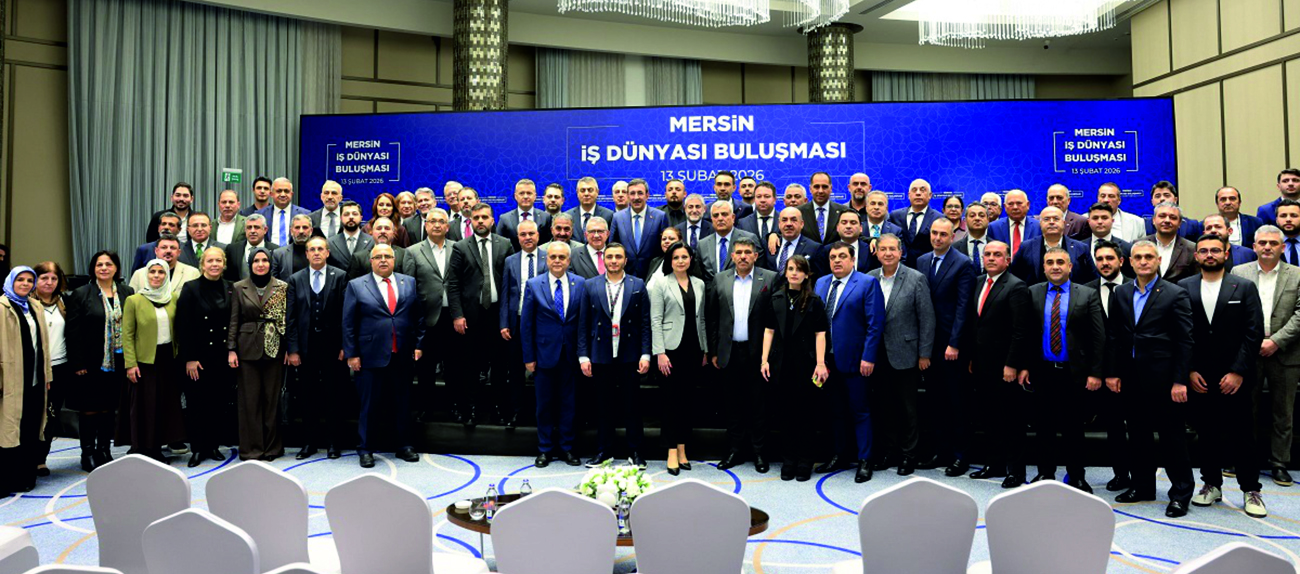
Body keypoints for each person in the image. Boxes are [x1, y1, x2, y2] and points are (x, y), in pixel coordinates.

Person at [1180, 233, 1267, 517]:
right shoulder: (1184, 287)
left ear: (1226, 253)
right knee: (1206, 433)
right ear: (1196, 256)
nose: (1209, 255)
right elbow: (1181, 333)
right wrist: (1189, 370)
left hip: (1235, 376)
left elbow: (1253, 332)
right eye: (1204, 250)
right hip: (1199, 377)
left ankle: (1251, 489)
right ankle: (1211, 484)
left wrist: (1238, 371)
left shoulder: (1244, 287)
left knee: (1243, 434)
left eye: (1215, 250)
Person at [1107, 240, 1196, 518]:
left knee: (1172, 439)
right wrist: (1113, 371)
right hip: (1131, 378)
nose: (1143, 261)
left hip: (1165, 380)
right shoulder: (1121, 292)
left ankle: (1180, 494)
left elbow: (1185, 340)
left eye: (1149, 257)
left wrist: (1180, 381)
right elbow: (1114, 336)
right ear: (1130, 262)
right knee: (1138, 436)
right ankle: (1143, 486)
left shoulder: (1175, 293)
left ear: (1158, 260)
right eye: (1138, 257)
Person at [1023, 247, 1106, 492]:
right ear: (1044, 267)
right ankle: (1045, 473)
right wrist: (1025, 366)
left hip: (1075, 373)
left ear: (1070, 267)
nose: (1055, 266)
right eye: (1050, 262)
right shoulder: (1033, 292)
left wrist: (1095, 372)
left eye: (1060, 262)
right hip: (1042, 371)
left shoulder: (1087, 294)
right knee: (1044, 427)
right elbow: (1026, 333)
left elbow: (1098, 337)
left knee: (1074, 428)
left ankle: (1077, 475)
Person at [343, 244, 425, 468]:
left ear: (394, 260)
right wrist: (352, 354)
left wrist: (418, 344)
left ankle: (404, 445)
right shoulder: (356, 285)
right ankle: (365, 449)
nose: (383, 260)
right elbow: (348, 323)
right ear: (370, 261)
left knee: (403, 403)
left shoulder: (408, 282)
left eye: (387, 256)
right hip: (369, 356)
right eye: (378, 256)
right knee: (369, 406)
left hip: (402, 354)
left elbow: (418, 316)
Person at [1232, 225, 1300, 487]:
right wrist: (1254, 342)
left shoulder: (1297, 274)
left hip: (1286, 351)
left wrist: (1276, 341)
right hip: (1248, 351)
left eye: (1273, 243)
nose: (1267, 247)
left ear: (1282, 247)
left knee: (1283, 412)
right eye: (1262, 243)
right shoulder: (1239, 272)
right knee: (1245, 410)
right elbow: (1234, 312)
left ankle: (1279, 463)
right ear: (1254, 246)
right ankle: (1243, 460)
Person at [815, 241, 885, 483]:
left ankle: (865, 459)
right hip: (827, 361)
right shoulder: (821, 283)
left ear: (852, 260)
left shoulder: (867, 283)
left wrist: (868, 356)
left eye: (842, 256)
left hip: (856, 361)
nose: (836, 260)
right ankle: (840, 455)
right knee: (835, 410)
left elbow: (875, 324)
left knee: (860, 411)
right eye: (833, 257)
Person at [965, 241, 1033, 488]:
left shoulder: (1016, 286)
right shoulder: (978, 282)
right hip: (981, 364)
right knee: (989, 417)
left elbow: (1020, 330)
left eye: (997, 255)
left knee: (1011, 420)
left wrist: (1012, 364)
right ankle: (994, 464)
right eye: (987, 254)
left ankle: (1016, 471)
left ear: (1007, 260)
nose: (991, 258)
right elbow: (976, 324)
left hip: (1005, 367)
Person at [578, 243, 651, 468]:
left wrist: (646, 354)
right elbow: (583, 323)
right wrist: (583, 356)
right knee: (603, 406)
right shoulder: (590, 285)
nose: (613, 261)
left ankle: (635, 451)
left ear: (625, 260)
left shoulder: (638, 284)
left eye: (618, 257)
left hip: (630, 354)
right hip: (600, 354)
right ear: (604, 260)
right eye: (609, 257)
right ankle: (604, 451)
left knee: (632, 406)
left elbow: (645, 323)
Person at [867, 235, 934, 476]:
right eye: (883, 249)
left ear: (900, 252)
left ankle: (908, 455)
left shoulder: (916, 278)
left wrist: (924, 353)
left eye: (892, 249)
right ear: (877, 253)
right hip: (878, 355)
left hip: (906, 354)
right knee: (884, 407)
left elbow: (927, 319)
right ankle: (888, 452)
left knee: (908, 409)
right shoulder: (869, 278)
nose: (887, 253)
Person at [710, 237, 777, 473]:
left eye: (748, 252)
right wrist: (714, 350)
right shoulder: (720, 279)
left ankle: (759, 452)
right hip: (729, 352)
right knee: (733, 405)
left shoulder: (769, 278)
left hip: (758, 354)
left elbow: (774, 319)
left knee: (758, 406)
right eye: (738, 252)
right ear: (732, 256)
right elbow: (713, 317)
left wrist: (769, 355)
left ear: (756, 256)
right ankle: (735, 451)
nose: (743, 256)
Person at [760, 255, 829, 482]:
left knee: (805, 417)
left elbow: (820, 334)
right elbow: (769, 331)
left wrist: (820, 363)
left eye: (799, 270)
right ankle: (788, 461)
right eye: (790, 269)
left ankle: (805, 461)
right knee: (785, 416)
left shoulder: (814, 301)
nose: (794, 273)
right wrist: (764, 360)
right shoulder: (776, 298)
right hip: (781, 365)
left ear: (806, 274)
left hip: (806, 365)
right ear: (786, 272)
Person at [916, 218, 975, 475]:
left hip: (952, 347)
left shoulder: (963, 263)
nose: (938, 238)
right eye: (934, 233)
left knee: (957, 402)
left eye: (943, 234)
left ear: (952, 237)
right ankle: (941, 452)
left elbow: (963, 307)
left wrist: (954, 343)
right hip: (928, 344)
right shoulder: (921, 261)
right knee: (935, 401)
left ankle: (961, 456)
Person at [447, 203, 513, 429]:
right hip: (470, 317)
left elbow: (511, 283)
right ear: (471, 221)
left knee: (499, 366)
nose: (481, 221)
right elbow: (453, 284)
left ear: (492, 220)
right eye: (476, 218)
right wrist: (457, 315)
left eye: (485, 217)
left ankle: (499, 409)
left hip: (497, 315)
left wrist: (507, 317)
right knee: (471, 366)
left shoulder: (505, 244)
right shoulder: (461, 247)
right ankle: (471, 410)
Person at [65, 251, 132, 471]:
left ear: (116, 268)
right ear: (93, 269)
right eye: (99, 264)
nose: (104, 268)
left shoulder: (127, 292)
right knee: (90, 409)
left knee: (109, 409)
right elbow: (73, 332)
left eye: (108, 264)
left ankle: (104, 450)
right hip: (90, 363)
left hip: (118, 362)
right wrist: (78, 363)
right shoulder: (81, 293)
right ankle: (87, 453)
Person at [286, 237, 350, 460]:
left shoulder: (340, 276)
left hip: (333, 348)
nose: (316, 253)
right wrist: (293, 349)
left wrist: (345, 346)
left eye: (320, 249)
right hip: (306, 348)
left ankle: (333, 443)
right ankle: (309, 443)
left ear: (327, 252)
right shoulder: (295, 279)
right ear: (306, 254)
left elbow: (346, 314)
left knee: (334, 396)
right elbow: (290, 317)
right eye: (312, 249)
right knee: (307, 397)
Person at [523, 242, 586, 467]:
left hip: (571, 355)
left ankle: (567, 448)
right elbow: (526, 324)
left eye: (562, 257)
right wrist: (528, 357)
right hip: (543, 355)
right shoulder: (534, 284)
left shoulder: (580, 284)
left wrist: (583, 354)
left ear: (569, 260)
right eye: (553, 257)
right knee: (544, 406)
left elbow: (583, 323)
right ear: (546, 259)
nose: (557, 261)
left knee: (569, 404)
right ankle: (545, 449)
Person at [650, 242, 708, 475]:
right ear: (670, 261)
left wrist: (705, 349)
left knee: (687, 402)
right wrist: (660, 352)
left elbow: (701, 319)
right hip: (670, 351)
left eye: (684, 257)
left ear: (691, 259)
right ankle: (671, 451)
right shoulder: (661, 283)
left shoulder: (699, 284)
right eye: (676, 257)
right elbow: (655, 320)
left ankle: (683, 448)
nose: (681, 261)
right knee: (670, 402)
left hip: (693, 350)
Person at [119, 259, 185, 462]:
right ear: (146, 275)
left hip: (168, 359)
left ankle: (157, 447)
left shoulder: (173, 298)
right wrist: (130, 364)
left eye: (161, 272)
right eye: (152, 272)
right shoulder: (134, 300)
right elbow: (127, 334)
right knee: (145, 406)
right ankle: (143, 448)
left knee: (164, 405)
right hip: (144, 361)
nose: (156, 276)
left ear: (166, 276)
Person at [227, 248, 289, 462]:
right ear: (250, 264)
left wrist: (289, 348)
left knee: (272, 401)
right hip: (246, 349)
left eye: (264, 260)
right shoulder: (239, 287)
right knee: (249, 401)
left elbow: (287, 319)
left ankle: (272, 448)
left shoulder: (282, 287)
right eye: (256, 261)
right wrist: (231, 349)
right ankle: (252, 449)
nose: (260, 264)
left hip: (275, 347)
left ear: (270, 264)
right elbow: (234, 320)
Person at [175, 247, 235, 467]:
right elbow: (183, 325)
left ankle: (213, 446)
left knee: (218, 404)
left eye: (218, 260)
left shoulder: (231, 288)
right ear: (202, 264)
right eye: (210, 261)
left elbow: (234, 322)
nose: (214, 264)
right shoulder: (191, 288)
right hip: (198, 358)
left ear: (224, 264)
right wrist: (189, 358)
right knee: (196, 404)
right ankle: (198, 449)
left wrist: (232, 350)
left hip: (221, 357)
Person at [1085, 239, 1134, 492]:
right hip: (1099, 372)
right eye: (1100, 259)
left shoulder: (1136, 287)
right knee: (1114, 427)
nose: (1105, 263)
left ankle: (1141, 476)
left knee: (1137, 427)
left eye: (1110, 258)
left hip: (1132, 370)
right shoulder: (1086, 290)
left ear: (1121, 261)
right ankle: (1120, 474)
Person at [0, 267, 51, 495]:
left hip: (35, 379)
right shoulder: (2, 307)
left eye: (30, 280)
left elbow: (44, 345)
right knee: (9, 431)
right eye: (20, 279)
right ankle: (5, 480)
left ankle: (26, 476)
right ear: (11, 282)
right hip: (11, 380)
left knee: (31, 427)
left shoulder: (35, 306)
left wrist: (48, 375)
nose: (25, 284)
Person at [403, 209, 456, 426]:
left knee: (453, 366)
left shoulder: (458, 248)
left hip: (452, 317)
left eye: (441, 221)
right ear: (426, 226)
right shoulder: (413, 251)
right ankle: (426, 408)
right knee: (426, 368)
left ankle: (454, 406)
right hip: (426, 318)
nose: (436, 225)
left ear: (447, 226)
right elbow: (409, 287)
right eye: (432, 221)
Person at [499, 220, 544, 429]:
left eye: (531, 233)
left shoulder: (549, 257)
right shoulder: (510, 261)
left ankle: (542, 413)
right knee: (516, 371)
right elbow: (505, 293)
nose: (528, 238)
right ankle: (517, 411)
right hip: (516, 322)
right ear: (517, 238)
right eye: (523, 234)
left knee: (542, 371)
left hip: (542, 322)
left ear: (538, 235)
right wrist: (504, 323)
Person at [29, 262, 68, 478]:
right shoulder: (26, 303)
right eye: (44, 278)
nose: (49, 282)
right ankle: (27, 457)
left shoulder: (64, 302)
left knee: (52, 415)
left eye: (54, 278)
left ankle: (41, 459)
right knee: (33, 414)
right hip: (35, 368)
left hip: (60, 367)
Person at [1007, 206, 1096, 285]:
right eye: (1047, 219)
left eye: (1056, 219)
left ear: (1064, 223)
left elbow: (1092, 279)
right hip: (1035, 297)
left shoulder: (1081, 248)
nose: (1051, 222)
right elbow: (1014, 277)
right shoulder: (1026, 247)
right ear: (1040, 223)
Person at [610, 179, 669, 278]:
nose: (636, 197)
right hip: (625, 275)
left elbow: (665, 248)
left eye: (640, 193)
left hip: (653, 275)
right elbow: (612, 247)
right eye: (632, 193)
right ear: (628, 196)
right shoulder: (617, 217)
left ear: (647, 195)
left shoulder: (660, 217)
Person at [696, 200, 759, 282]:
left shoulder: (749, 238)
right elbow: (700, 276)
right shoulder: (702, 244)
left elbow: (759, 272)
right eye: (715, 215)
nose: (720, 218)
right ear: (711, 219)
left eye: (724, 214)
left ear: (733, 217)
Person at [889, 179, 944, 267]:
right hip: (899, 267)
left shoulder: (939, 218)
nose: (918, 193)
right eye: (914, 190)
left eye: (922, 190)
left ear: (930, 195)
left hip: (926, 267)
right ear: (909, 195)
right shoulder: (895, 216)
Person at [1143, 202, 1198, 283]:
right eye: (1162, 216)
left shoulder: (1192, 248)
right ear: (1153, 220)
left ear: (1180, 223)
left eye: (1173, 218)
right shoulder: (1139, 245)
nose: (1167, 220)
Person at [129, 233, 200, 294]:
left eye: (172, 248)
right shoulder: (139, 274)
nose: (168, 251)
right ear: (156, 251)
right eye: (164, 247)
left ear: (179, 252)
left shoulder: (193, 273)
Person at [257, 177, 312, 249]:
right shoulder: (260, 214)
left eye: (286, 191)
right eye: (279, 191)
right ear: (271, 194)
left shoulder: (305, 214)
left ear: (291, 194)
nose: (283, 194)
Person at [497, 179, 553, 249]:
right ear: (515, 196)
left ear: (535, 196)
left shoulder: (546, 218)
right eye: (521, 193)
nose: (525, 196)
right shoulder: (505, 219)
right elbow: (499, 245)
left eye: (529, 193)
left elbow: (550, 243)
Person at [765, 207, 821, 275]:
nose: (788, 224)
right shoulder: (769, 243)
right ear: (779, 224)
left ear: (802, 224)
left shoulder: (814, 248)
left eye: (794, 220)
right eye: (784, 220)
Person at [987, 190, 1039, 260]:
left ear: (1028, 205)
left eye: (1019, 203)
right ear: (1005, 207)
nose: (1015, 207)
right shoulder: (994, 227)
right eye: (1010, 204)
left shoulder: (1038, 226)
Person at [224, 214, 279, 281]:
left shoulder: (276, 250)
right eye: (249, 227)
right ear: (245, 230)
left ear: (265, 230)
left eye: (256, 227)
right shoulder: (232, 249)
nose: (252, 231)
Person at [800, 172, 847, 244]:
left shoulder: (843, 211)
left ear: (831, 188)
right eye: (816, 187)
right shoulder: (799, 212)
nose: (820, 191)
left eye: (824, 187)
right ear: (810, 189)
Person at [327, 201, 374, 271]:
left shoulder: (372, 241)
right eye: (346, 214)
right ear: (341, 218)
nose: (351, 217)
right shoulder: (330, 243)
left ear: (361, 218)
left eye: (355, 214)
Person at [565, 177, 614, 243]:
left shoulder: (609, 215)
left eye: (590, 190)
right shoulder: (568, 216)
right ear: (577, 193)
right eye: (582, 190)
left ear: (597, 192)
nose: (586, 194)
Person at [272, 214, 315, 281]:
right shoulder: (278, 254)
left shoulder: (321, 252)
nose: (301, 231)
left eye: (305, 227)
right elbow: (273, 281)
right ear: (291, 231)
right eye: (297, 227)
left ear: (311, 231)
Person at [953, 203, 990, 275]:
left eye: (981, 215)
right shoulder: (955, 248)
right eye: (972, 215)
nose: (977, 218)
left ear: (988, 220)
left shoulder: (997, 246)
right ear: (965, 220)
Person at [570, 216, 610, 281]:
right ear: (586, 234)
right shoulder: (573, 255)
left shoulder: (616, 254)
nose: (596, 235)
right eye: (592, 231)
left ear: (607, 234)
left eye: (600, 231)